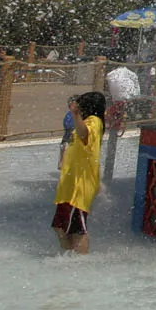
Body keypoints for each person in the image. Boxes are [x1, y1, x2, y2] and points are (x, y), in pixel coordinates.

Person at [53, 91, 106, 253]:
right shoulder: (87, 121)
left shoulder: (95, 122)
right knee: (60, 226)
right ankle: (69, 257)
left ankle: (80, 261)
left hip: (80, 186)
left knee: (77, 229)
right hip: (70, 185)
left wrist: (75, 114)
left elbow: (84, 133)